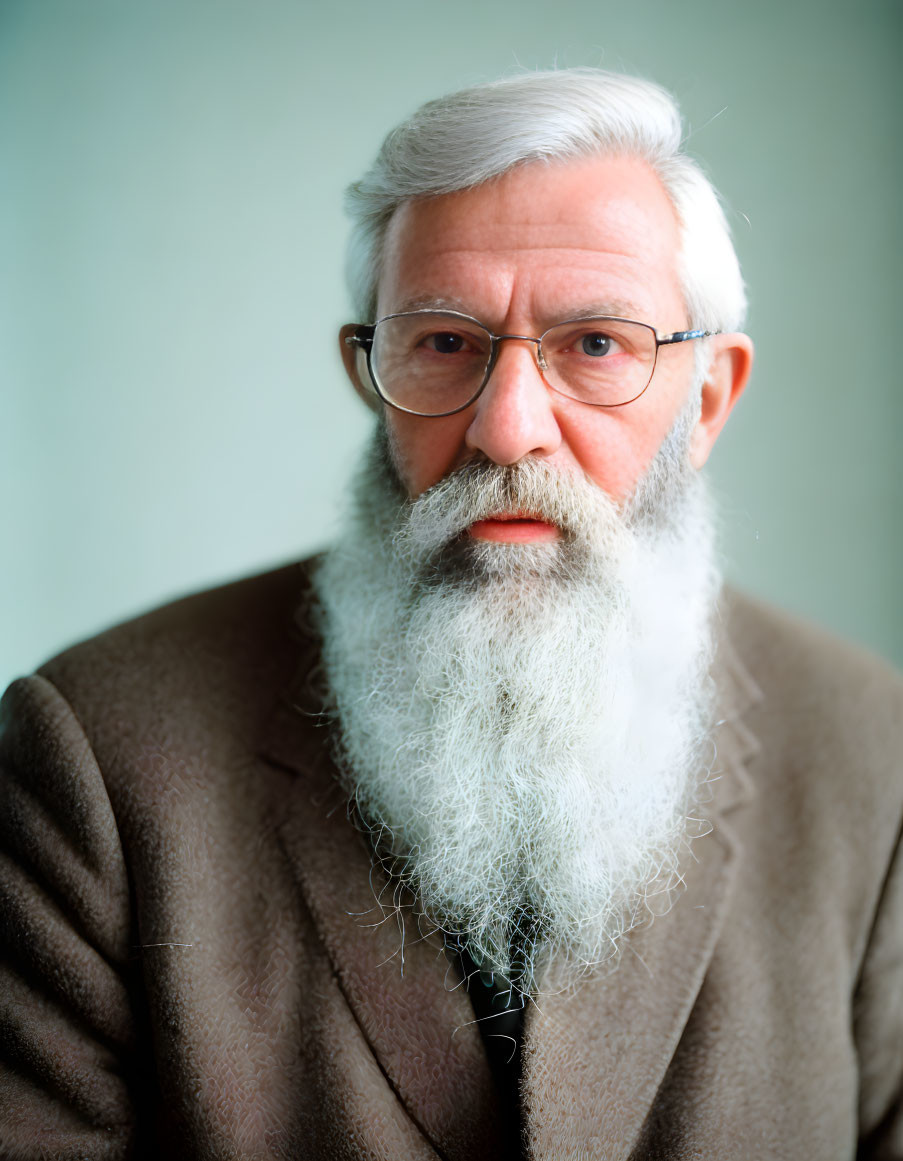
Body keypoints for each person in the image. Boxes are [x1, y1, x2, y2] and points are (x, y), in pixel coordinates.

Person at [1, 68, 901, 1161]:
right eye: (443, 343)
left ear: (707, 399)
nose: (507, 429)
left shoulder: (875, 756)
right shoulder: (93, 754)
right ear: (369, 374)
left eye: (597, 345)